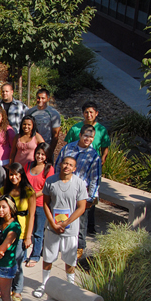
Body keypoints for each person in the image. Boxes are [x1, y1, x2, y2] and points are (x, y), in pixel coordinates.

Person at [33, 156, 87, 298]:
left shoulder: (79, 184)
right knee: (48, 257)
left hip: (70, 229)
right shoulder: (51, 181)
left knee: (70, 260)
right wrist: (52, 223)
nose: (67, 166)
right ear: (61, 165)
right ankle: (44, 284)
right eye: (65, 163)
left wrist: (66, 222)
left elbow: (81, 207)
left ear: (74, 169)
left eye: (70, 165)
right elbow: (45, 203)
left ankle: (70, 286)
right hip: (52, 227)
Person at [63, 101, 111, 236]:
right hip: (74, 168)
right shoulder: (76, 128)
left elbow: (105, 146)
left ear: (96, 113)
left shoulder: (101, 130)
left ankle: (90, 225)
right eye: (86, 112)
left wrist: (103, 159)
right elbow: (68, 145)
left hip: (91, 168)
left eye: (91, 112)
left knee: (91, 195)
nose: (89, 115)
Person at [54, 125, 102, 258]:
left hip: (81, 192)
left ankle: (79, 246)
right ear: (80, 135)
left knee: (81, 220)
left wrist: (91, 197)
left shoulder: (94, 156)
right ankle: (60, 241)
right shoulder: (68, 148)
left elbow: (95, 178)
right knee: (61, 215)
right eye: (86, 135)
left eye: (91, 137)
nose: (88, 139)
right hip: (64, 187)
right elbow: (58, 165)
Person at [0, 163, 35, 301]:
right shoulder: (4, 190)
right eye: (11, 174)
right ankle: (6, 288)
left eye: (16, 174)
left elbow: (31, 215)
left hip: (21, 230)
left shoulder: (28, 191)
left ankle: (18, 289)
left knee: (17, 262)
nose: (14, 177)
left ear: (21, 175)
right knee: (7, 261)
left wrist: (28, 236)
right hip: (6, 229)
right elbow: (0, 209)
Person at [24, 142, 55, 267]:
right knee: (26, 228)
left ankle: (35, 255)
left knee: (38, 231)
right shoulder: (28, 165)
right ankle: (23, 253)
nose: (40, 156)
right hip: (25, 203)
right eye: (38, 153)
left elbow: (46, 188)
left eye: (43, 154)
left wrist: (32, 196)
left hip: (40, 204)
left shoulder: (49, 169)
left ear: (47, 156)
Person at [26, 89, 61, 160]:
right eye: (38, 98)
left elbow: (55, 134)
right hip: (32, 146)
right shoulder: (30, 112)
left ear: (48, 99)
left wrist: (50, 150)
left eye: (43, 98)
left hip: (46, 145)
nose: (40, 100)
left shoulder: (53, 114)